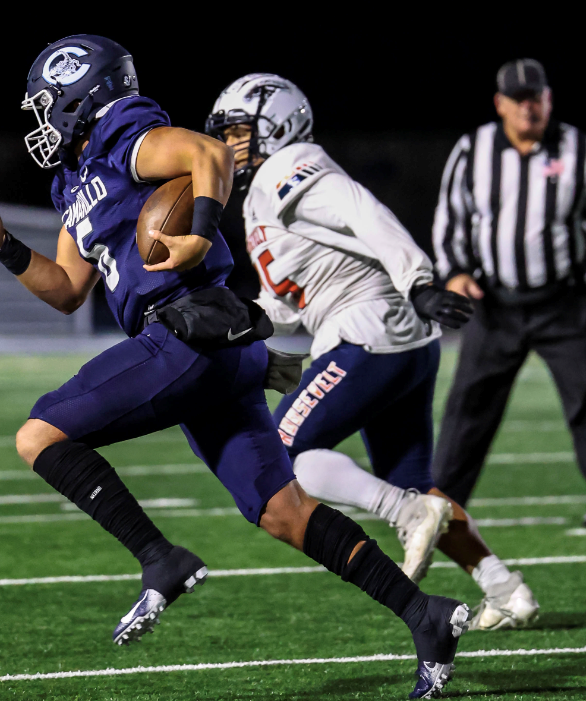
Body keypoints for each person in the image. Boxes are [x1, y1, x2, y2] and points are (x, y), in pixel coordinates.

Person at [0, 36, 470, 699]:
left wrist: (198, 232)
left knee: (38, 435)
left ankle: (159, 558)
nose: (42, 121)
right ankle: (423, 614)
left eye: (48, 105)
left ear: (82, 96)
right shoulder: (73, 181)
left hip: (188, 332)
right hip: (213, 350)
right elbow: (65, 290)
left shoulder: (124, 134)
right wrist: (3, 246)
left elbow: (206, 154)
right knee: (282, 511)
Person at [206, 73, 539, 632]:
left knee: (280, 453)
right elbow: (289, 300)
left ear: (277, 125)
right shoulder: (266, 191)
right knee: (416, 482)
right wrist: (242, 323)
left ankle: (405, 514)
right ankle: (507, 590)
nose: (231, 144)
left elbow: (363, 210)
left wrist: (419, 280)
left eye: (241, 131)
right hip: (396, 340)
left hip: (371, 328)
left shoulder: (288, 166)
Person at [431, 59, 586, 526]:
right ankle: (442, 500)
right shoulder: (473, 149)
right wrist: (455, 271)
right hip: (495, 303)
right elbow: (450, 217)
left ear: (548, 100)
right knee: (469, 405)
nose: (528, 107)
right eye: (518, 99)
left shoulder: (579, 148)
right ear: (500, 103)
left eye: (536, 97)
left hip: (563, 301)